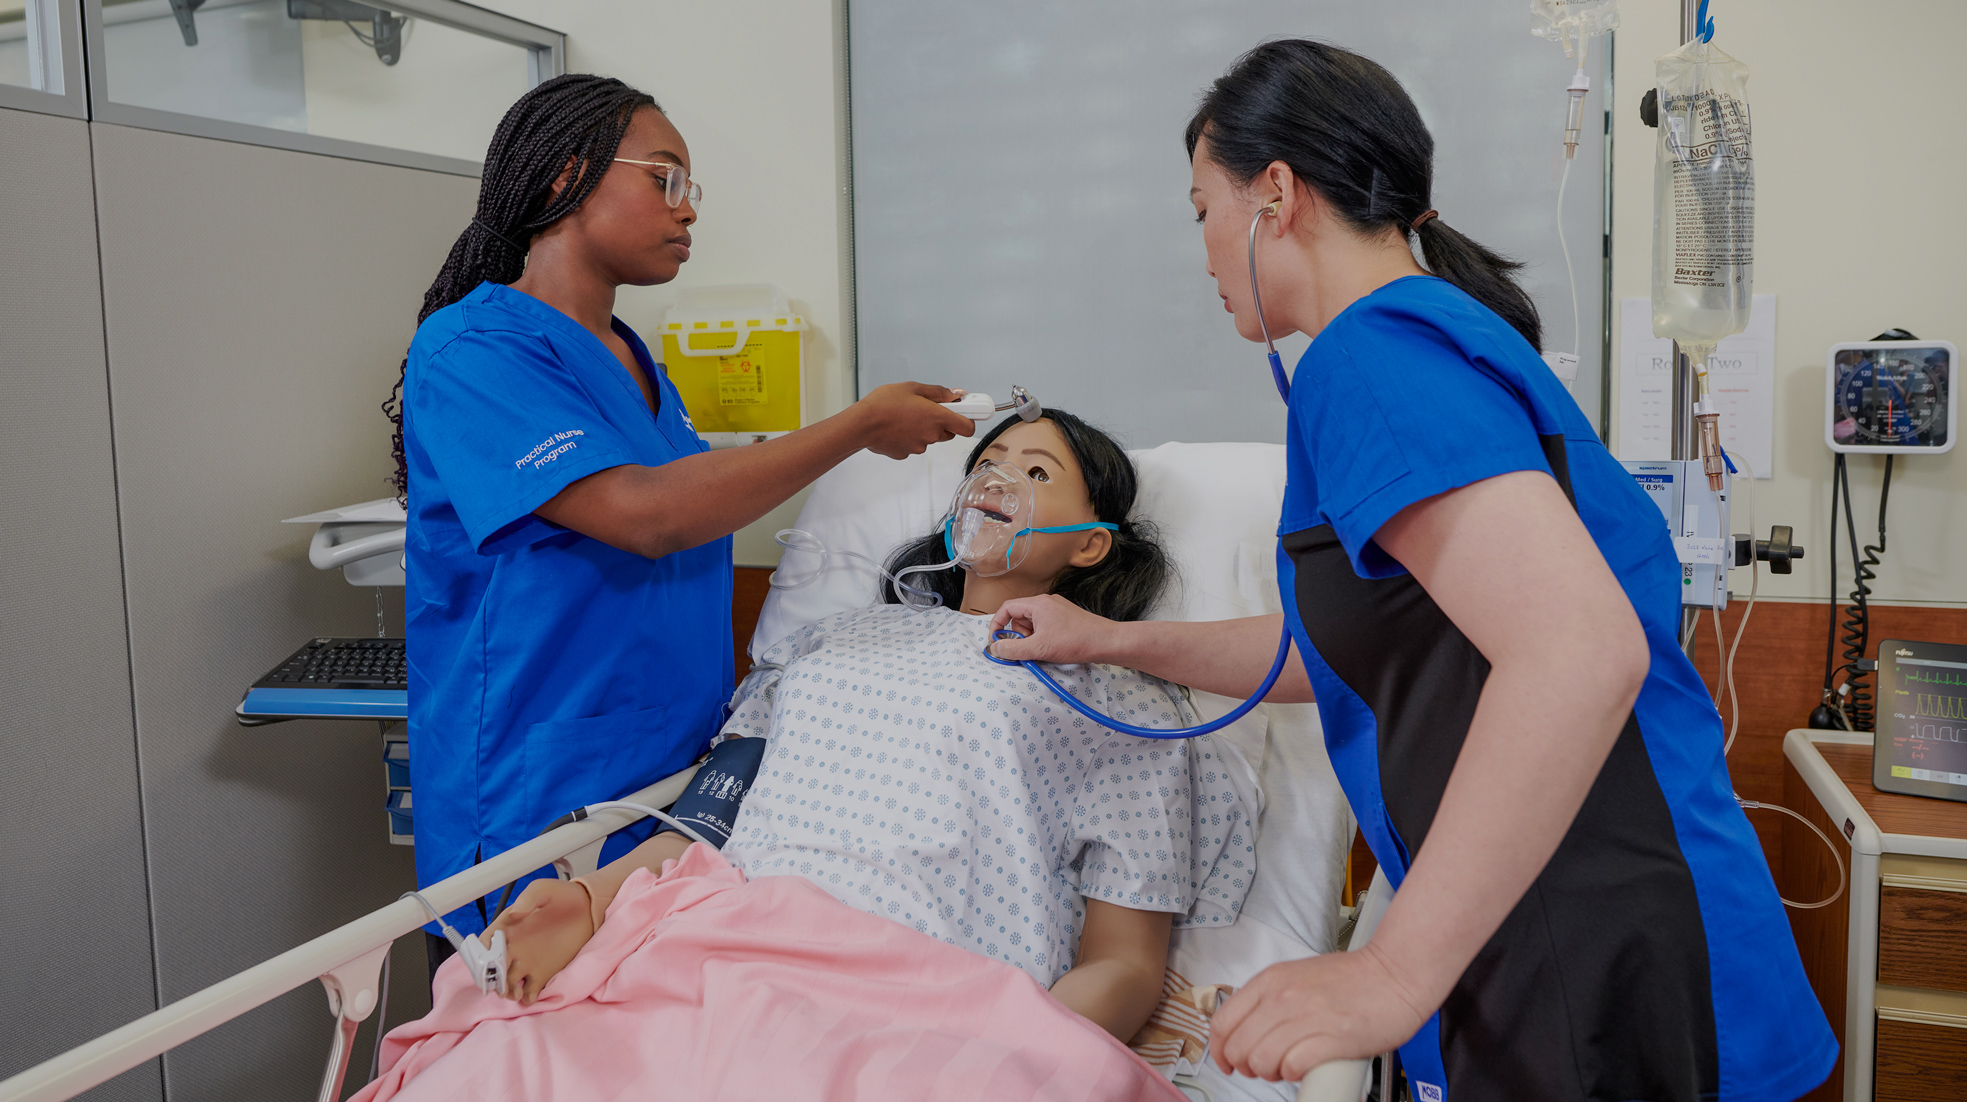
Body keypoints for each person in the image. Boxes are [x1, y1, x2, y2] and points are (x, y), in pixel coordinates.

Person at [989, 40, 1837, 1102]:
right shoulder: (1433, 344)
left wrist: (1389, 968)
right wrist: (1106, 637)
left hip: (1609, 941)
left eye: (1199, 205)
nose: (1199, 245)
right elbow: (1350, 650)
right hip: (1596, 915)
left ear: (1275, 198)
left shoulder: (1370, 359)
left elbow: (1576, 649)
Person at [392, 73, 973, 974]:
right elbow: (646, 516)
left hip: (664, 784)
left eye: (688, 187)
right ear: (564, 179)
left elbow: (692, 500)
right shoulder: (474, 351)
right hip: (536, 789)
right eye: (665, 179)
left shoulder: (634, 361)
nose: (688, 210)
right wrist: (857, 426)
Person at [476, 409, 1253, 1045]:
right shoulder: (834, 639)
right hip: (715, 949)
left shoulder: (1117, 698)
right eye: (986, 463)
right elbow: (706, 821)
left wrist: (1017, 1057)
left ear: (1088, 544)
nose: (996, 479)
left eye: (1037, 472)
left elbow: (1123, 964)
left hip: (922, 997)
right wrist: (590, 899)